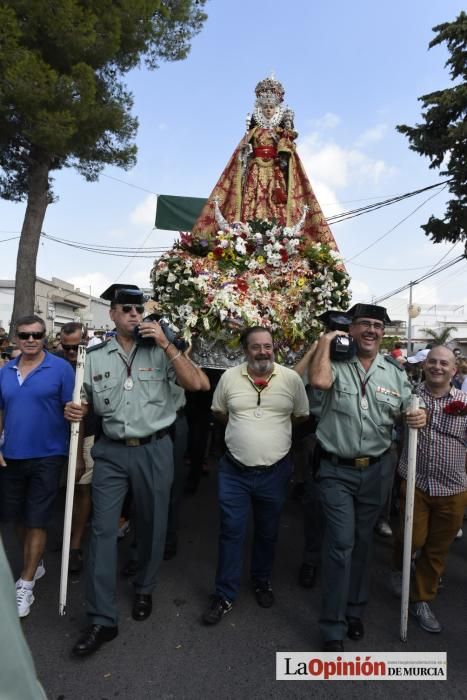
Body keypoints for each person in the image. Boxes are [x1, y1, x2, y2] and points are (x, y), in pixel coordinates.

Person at [65, 285, 203, 657]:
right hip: (111, 452)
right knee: (102, 529)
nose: (134, 315)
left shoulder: (163, 350)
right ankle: (101, 618)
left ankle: (144, 586)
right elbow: (83, 404)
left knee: (154, 522)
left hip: (155, 449)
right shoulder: (93, 357)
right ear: (111, 314)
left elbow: (198, 385)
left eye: (138, 309)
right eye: (126, 309)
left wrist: (168, 345)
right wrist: (75, 413)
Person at [308, 303, 426, 652]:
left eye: (377, 325)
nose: (371, 331)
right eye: (363, 325)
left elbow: (410, 410)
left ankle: (355, 610)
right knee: (341, 543)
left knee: (362, 543)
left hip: (376, 471)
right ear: (351, 328)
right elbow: (317, 381)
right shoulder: (332, 362)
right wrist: (328, 339)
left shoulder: (394, 372)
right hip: (335, 472)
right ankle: (332, 625)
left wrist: (418, 418)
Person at [202, 326, 309, 625]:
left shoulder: (291, 379)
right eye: (256, 347)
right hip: (234, 472)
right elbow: (220, 413)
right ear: (245, 350)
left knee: (267, 532)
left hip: (274, 473)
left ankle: (262, 580)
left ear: (274, 347)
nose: (263, 351)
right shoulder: (229, 378)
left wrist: (272, 435)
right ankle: (224, 594)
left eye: (268, 346)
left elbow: (300, 415)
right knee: (231, 532)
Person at [192, 76, 337, 246]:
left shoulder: (281, 132)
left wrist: (284, 145)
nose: (269, 110)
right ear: (260, 109)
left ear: (277, 110)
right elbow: (242, 151)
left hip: (275, 174)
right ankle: (248, 235)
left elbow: (288, 152)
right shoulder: (253, 132)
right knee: (251, 199)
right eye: (265, 107)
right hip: (255, 170)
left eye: (272, 107)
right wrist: (245, 155)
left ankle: (277, 238)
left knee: (276, 202)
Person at [0, 315, 75, 618]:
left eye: (37, 335)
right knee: (17, 518)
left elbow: (73, 408)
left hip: (48, 455)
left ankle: (26, 583)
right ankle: (37, 561)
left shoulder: (62, 369)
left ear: (46, 336)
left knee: (37, 519)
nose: (31, 340)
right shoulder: (5, 371)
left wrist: (75, 412)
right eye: (25, 335)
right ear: (15, 337)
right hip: (12, 456)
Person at [391, 346, 467, 633]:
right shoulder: (409, 397)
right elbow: (392, 421)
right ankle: (400, 569)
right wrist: (403, 418)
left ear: (454, 370)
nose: (437, 366)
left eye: (444, 363)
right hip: (416, 482)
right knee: (412, 538)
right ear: (424, 366)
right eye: (432, 362)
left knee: (437, 549)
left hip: (453, 487)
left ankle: (421, 599)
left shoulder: (464, 401)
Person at [57, 322, 99, 573]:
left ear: (85, 340)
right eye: (66, 347)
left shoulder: (95, 361)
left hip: (88, 434)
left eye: (76, 347)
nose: (71, 352)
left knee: (82, 488)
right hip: (58, 435)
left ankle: (75, 545)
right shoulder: (56, 361)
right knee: (64, 488)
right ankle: (65, 534)